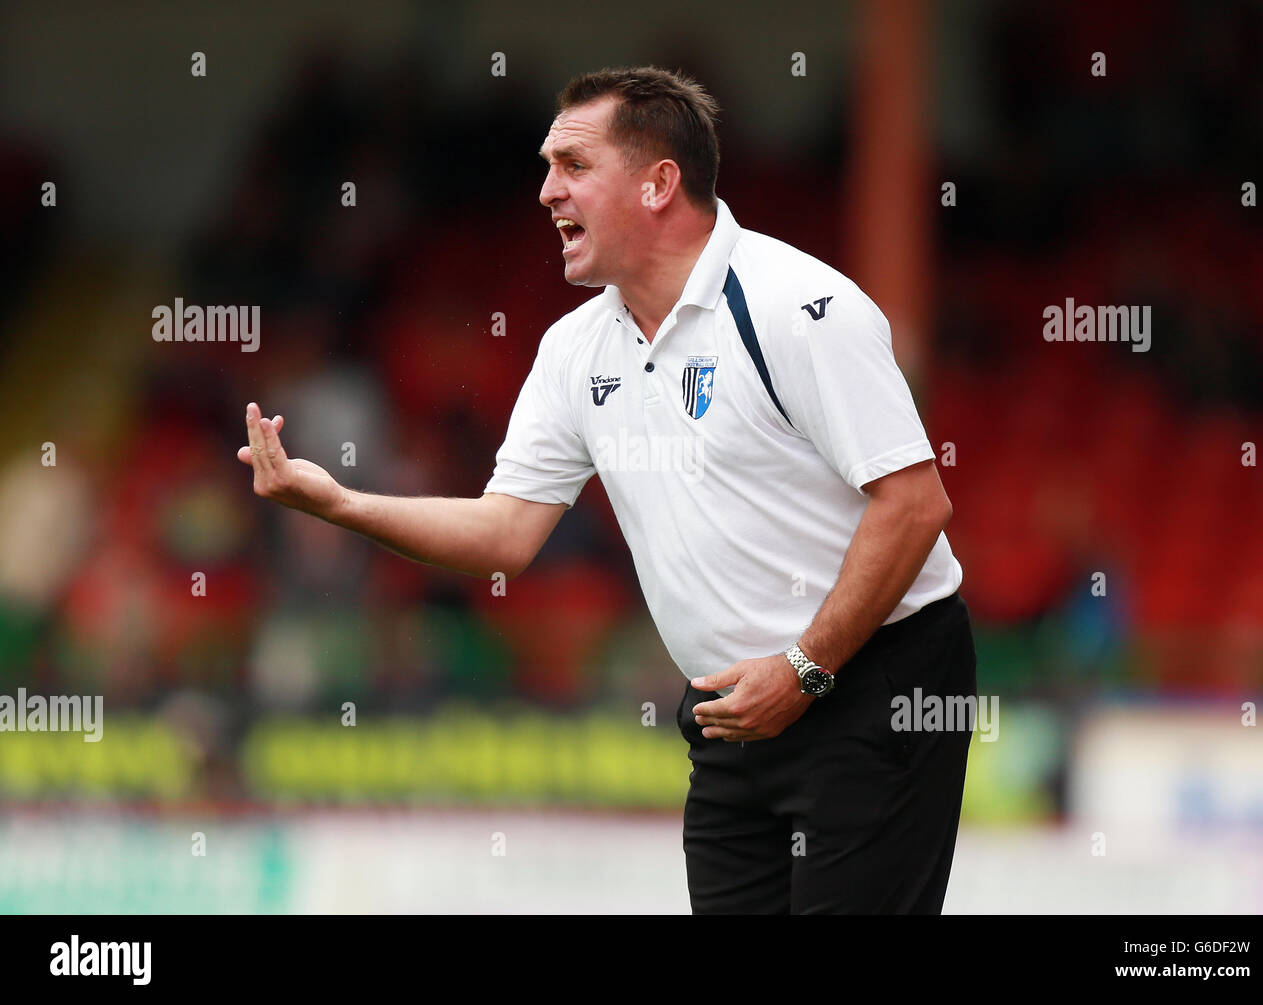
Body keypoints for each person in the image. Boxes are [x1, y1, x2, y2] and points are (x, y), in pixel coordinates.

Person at [238, 65, 977, 914]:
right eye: (549, 167)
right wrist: (338, 503)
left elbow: (915, 504)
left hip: (876, 682)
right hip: (730, 711)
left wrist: (805, 669)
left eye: (574, 166)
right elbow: (505, 532)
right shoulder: (574, 349)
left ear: (658, 184)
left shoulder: (800, 306)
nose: (547, 190)